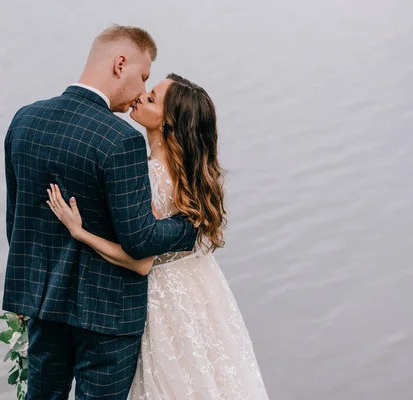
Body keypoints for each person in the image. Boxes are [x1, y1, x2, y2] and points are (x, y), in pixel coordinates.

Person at [2, 25, 197, 399]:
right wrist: (191, 228)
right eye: (143, 76)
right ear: (120, 63)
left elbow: (17, 225)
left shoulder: (24, 120)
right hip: (108, 315)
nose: (142, 90)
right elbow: (140, 239)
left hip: (44, 305)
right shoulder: (120, 139)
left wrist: (28, 298)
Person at [47, 74, 270, 399]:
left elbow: (141, 263)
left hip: (165, 300)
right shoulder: (190, 173)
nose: (139, 96)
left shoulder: (148, 175)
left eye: (151, 98)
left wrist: (81, 233)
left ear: (168, 122)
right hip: (203, 289)